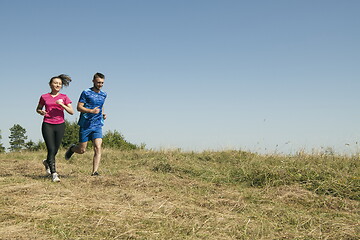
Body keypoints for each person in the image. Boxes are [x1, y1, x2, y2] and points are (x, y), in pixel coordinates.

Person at [65, 72, 107, 176]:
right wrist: (91, 111)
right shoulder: (86, 92)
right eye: (98, 82)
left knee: (98, 147)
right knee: (82, 150)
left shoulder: (104, 94)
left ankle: (94, 172)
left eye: (102, 83)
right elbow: (79, 107)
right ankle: (72, 148)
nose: (100, 84)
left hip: (97, 124)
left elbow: (101, 106)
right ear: (93, 81)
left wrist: (103, 114)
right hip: (86, 124)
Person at [36, 74, 74, 182]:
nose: (57, 85)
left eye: (60, 84)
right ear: (50, 84)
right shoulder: (44, 96)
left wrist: (62, 105)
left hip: (60, 124)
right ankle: (54, 174)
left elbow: (71, 112)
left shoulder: (64, 97)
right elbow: (38, 108)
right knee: (51, 149)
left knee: (55, 149)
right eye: (55, 83)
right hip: (47, 124)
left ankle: (47, 162)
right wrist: (41, 112)